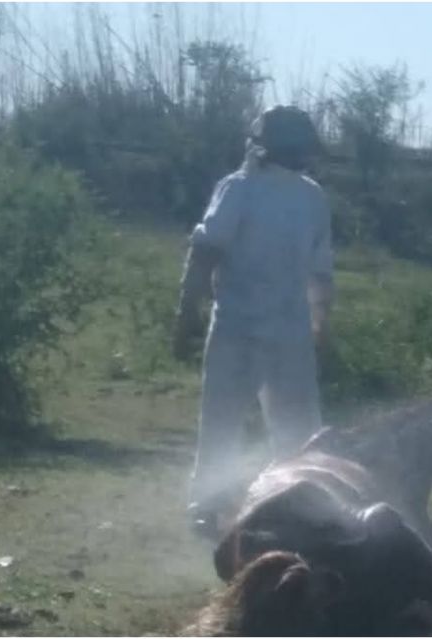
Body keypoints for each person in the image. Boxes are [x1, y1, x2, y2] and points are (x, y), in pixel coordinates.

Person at [173, 106, 334, 539]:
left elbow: (205, 250)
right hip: (270, 332)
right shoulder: (299, 195)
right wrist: (320, 325)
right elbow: (321, 274)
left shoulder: (244, 189)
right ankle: (293, 505)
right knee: (296, 429)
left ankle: (215, 509)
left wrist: (186, 312)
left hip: (245, 330)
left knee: (224, 424)